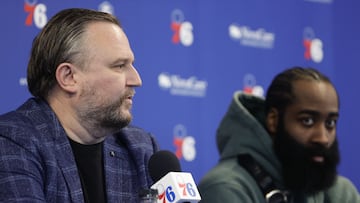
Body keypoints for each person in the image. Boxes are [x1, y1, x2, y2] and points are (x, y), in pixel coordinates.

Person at [0, 8, 159, 202]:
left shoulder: (141, 147)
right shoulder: (12, 141)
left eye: (131, 64)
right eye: (119, 66)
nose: (136, 80)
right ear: (69, 77)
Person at [198, 67, 360, 202]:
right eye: (307, 121)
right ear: (274, 121)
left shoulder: (342, 193)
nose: (323, 138)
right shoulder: (226, 189)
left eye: (330, 123)